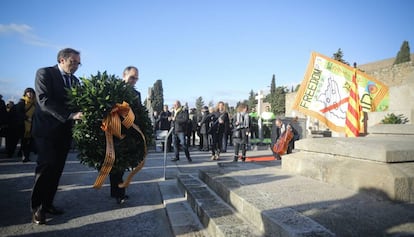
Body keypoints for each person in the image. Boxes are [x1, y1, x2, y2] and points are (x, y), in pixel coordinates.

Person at [31, 48, 83, 225]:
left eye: (78, 63)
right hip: (46, 131)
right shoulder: (45, 73)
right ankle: (38, 209)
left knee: (57, 170)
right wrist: (70, 115)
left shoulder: (75, 81)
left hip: (64, 133)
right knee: (46, 168)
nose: (76, 66)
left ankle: (48, 204)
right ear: (62, 60)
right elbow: (44, 101)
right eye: (73, 62)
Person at [109, 65, 142, 205]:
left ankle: (118, 192)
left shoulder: (137, 94)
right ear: (124, 75)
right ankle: (117, 193)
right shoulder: (114, 90)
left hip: (129, 132)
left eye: (136, 78)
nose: (134, 80)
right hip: (115, 130)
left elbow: (139, 113)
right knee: (116, 163)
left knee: (122, 164)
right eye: (132, 77)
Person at [16, 88, 36, 162]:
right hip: (23, 125)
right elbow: (18, 113)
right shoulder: (22, 102)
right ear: (25, 94)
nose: (30, 94)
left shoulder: (35, 102)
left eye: (31, 93)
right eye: (28, 93)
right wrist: (27, 118)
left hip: (31, 124)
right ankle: (24, 156)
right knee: (24, 141)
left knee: (28, 141)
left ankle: (24, 155)